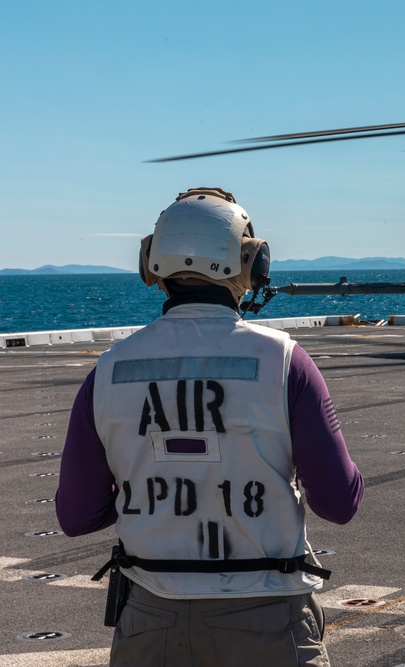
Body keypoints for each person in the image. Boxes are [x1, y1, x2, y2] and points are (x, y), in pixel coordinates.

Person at [55, 187, 364, 667]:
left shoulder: (109, 369)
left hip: (148, 624)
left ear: (151, 264)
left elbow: (76, 515)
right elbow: (339, 503)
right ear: (252, 263)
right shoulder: (285, 362)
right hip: (266, 622)